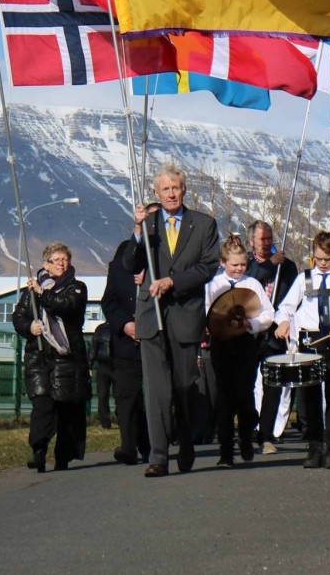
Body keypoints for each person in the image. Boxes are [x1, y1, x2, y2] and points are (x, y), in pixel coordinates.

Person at [123, 165, 220, 478]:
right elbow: (131, 264)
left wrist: (173, 282)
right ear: (156, 193)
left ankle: (187, 440)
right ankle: (158, 456)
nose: (171, 194)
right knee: (156, 390)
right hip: (151, 315)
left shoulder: (204, 224)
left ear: (184, 189)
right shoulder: (148, 224)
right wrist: (137, 232)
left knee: (183, 387)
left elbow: (207, 267)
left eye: (176, 188)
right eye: (165, 189)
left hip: (184, 315)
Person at [275, 231, 330, 469]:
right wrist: (283, 322)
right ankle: (314, 448)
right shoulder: (304, 280)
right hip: (309, 343)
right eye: (318, 259)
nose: (322, 264)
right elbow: (285, 307)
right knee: (310, 397)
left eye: (327, 259)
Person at [13, 242, 91, 472]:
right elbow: (18, 317)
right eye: (56, 260)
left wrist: (42, 293)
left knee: (67, 409)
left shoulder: (77, 287)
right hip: (40, 357)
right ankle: (38, 450)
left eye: (64, 259)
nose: (61, 263)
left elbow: (66, 306)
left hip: (68, 358)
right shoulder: (32, 292)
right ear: (46, 265)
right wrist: (30, 327)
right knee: (42, 405)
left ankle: (63, 456)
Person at [204, 234, 274, 468]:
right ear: (223, 263)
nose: (239, 269)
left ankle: (246, 437)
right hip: (221, 345)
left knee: (245, 394)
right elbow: (206, 313)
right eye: (234, 265)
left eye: (243, 264)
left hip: (245, 344)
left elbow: (267, 313)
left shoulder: (252, 284)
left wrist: (251, 324)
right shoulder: (213, 286)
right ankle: (226, 451)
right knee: (224, 398)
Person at [244, 220, 298, 455]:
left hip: (274, 334)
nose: (267, 244)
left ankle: (267, 434)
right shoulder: (244, 263)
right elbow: (249, 281)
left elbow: (292, 297)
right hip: (248, 333)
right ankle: (247, 430)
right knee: (244, 386)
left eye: (269, 239)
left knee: (273, 385)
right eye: (261, 240)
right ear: (251, 242)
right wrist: (268, 264)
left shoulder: (286, 267)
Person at [101, 239, 151, 465]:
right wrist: (125, 325)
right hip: (125, 344)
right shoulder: (119, 261)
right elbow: (109, 302)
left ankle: (151, 444)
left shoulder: (161, 258)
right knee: (125, 397)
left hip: (154, 341)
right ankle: (128, 446)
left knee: (153, 397)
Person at [88, 323, 115, 429]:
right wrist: (89, 364)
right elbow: (94, 348)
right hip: (104, 366)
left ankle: (120, 419)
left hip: (117, 365)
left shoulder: (102, 329)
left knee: (118, 395)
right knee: (102, 395)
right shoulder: (100, 329)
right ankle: (105, 422)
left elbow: (93, 348)